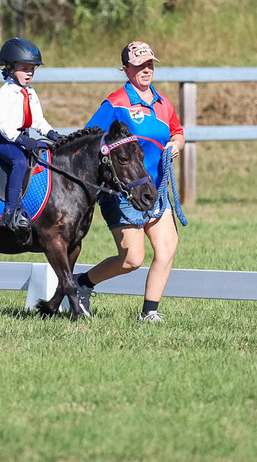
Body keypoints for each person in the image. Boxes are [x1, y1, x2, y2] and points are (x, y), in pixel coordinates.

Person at [77, 41, 185, 322]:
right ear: (126, 69)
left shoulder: (163, 104)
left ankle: (150, 313)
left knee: (167, 248)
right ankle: (82, 284)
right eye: (139, 66)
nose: (145, 70)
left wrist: (175, 145)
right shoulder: (115, 103)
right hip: (123, 192)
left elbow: (178, 133)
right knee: (131, 260)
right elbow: (90, 138)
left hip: (155, 188)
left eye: (149, 64)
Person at [0, 37, 63, 234]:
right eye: (25, 68)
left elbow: (38, 120)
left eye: (32, 69)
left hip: (24, 140)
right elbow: (4, 126)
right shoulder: (5, 93)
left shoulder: (30, 92)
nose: (29, 73)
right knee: (20, 162)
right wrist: (22, 139)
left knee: (46, 156)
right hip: (5, 142)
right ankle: (10, 211)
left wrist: (52, 134)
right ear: (11, 67)